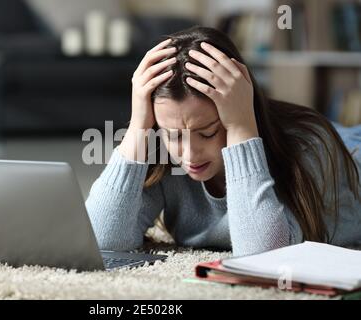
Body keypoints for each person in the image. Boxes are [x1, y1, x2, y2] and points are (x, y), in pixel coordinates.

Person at [86, 26, 361, 257]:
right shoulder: (162, 150)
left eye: (207, 132)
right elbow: (102, 238)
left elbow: (263, 255)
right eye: (173, 135)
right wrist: (138, 127)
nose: (189, 154)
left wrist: (241, 126)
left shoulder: (307, 145)